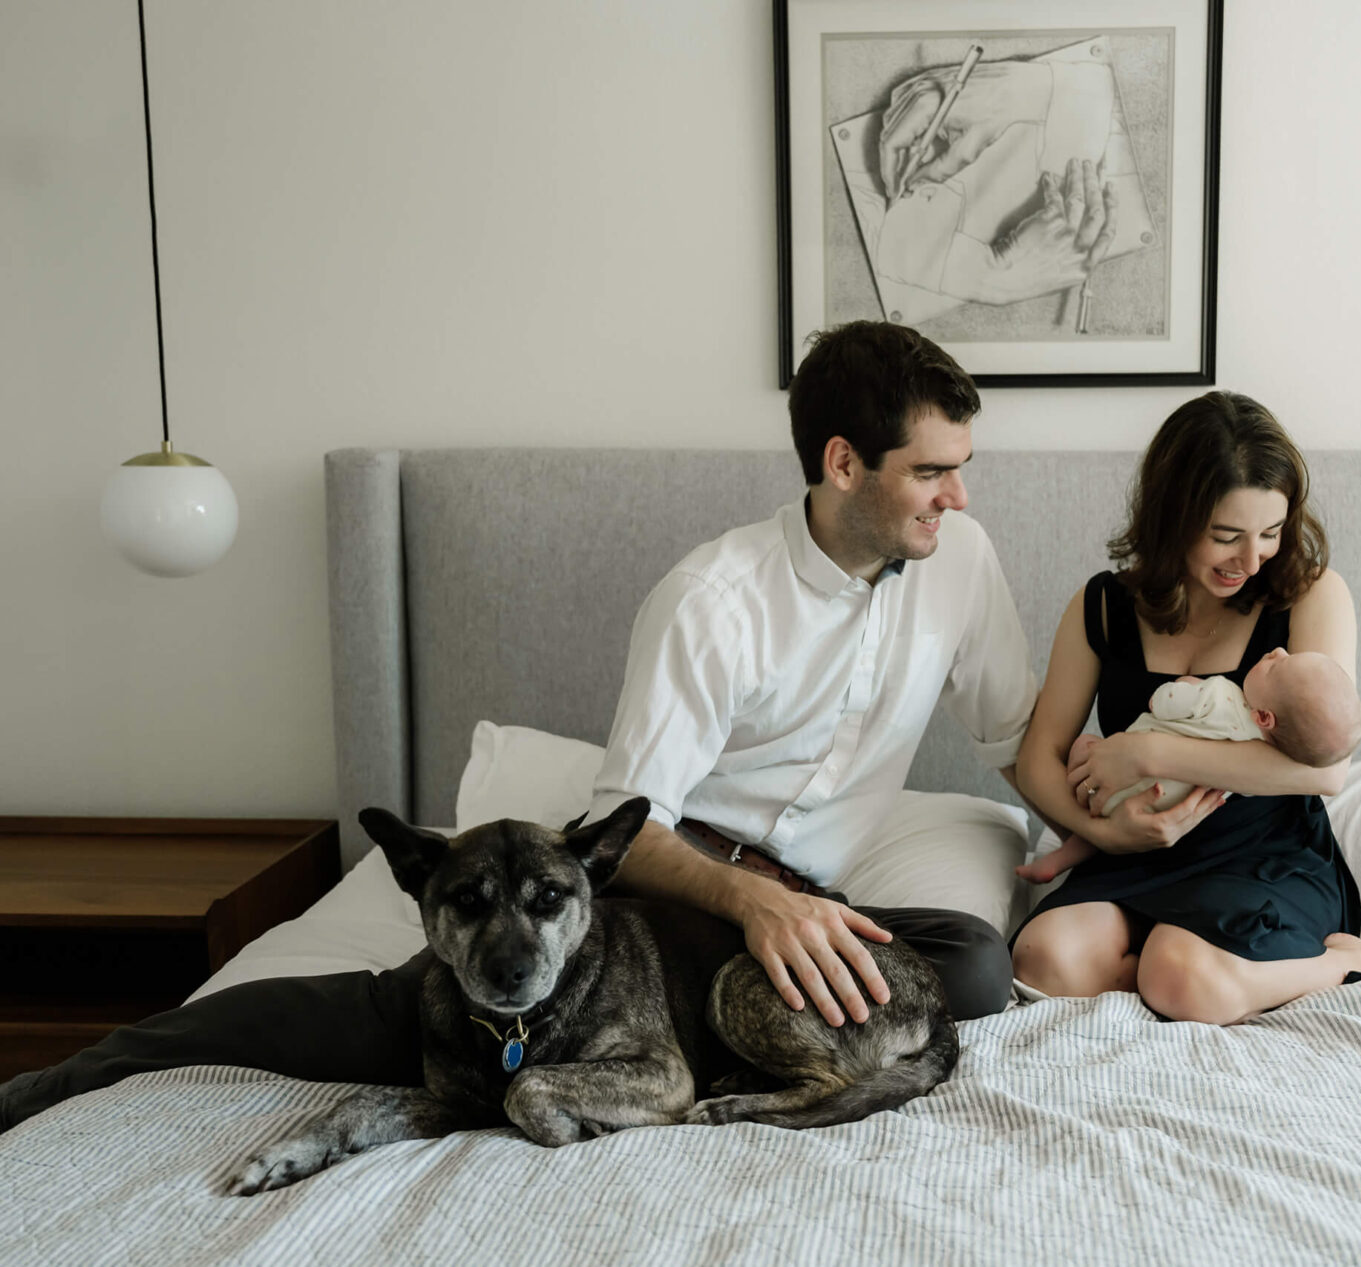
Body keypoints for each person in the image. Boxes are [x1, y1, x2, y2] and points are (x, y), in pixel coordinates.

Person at [0, 321, 1039, 1132]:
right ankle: (78, 1071)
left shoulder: (961, 559)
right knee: (394, 1014)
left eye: (961, 468)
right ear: (845, 462)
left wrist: (1122, 805)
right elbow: (630, 827)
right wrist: (753, 904)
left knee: (978, 966)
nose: (955, 495)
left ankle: (695, 1045)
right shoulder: (713, 598)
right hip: (668, 890)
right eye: (932, 471)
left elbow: (1013, 738)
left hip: (812, 898)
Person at [1010, 392, 1361, 1025]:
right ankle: (1185, 976)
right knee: (1045, 958)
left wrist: (1152, 750)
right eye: (1225, 537)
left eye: (1269, 534)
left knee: (1178, 969)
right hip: (1134, 850)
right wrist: (1108, 833)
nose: (1250, 561)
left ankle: (1355, 963)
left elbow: (1325, 771)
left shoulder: (1310, 595)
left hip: (1262, 856)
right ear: (1172, 517)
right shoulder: (1101, 606)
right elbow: (1037, 761)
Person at [1016, 649, 1361, 884]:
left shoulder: (1219, 696)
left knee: (1086, 745)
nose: (1278, 651)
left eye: (1276, 666)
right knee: (1107, 822)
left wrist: (1185, 685)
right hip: (1164, 810)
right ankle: (1067, 856)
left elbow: (1162, 702)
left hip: (1112, 787)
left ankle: (1063, 856)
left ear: (1264, 716)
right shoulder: (1255, 769)